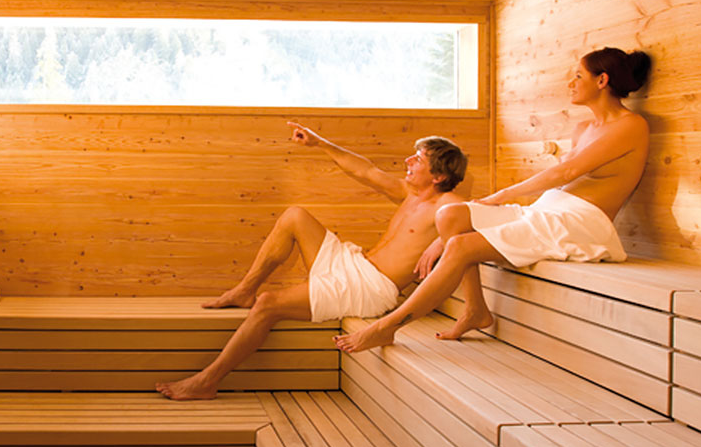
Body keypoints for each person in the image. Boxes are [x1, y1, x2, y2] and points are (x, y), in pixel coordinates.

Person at [334, 47, 652, 354]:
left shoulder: (631, 125)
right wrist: (444, 236)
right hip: (547, 210)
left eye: (578, 76)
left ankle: (388, 326)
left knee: (459, 245)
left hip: (581, 223)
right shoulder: (583, 128)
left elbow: (567, 171)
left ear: (602, 80)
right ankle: (475, 310)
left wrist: (498, 197)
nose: (570, 83)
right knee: (451, 216)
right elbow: (561, 177)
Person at [156, 124, 472, 400]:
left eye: (418, 159)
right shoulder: (410, 193)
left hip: (371, 288)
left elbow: (480, 219)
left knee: (269, 304)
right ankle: (243, 290)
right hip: (355, 262)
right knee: (295, 216)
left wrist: (441, 241)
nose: (408, 161)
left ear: (440, 175)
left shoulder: (450, 204)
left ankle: (207, 381)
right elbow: (363, 169)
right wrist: (319, 142)